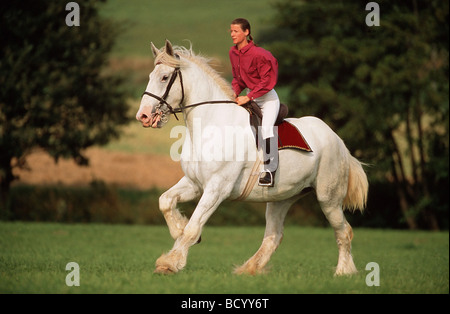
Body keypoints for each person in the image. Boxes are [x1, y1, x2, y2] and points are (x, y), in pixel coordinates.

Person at [229, 18, 280, 187]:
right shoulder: (233, 53)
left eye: (236, 31)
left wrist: (248, 97)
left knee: (265, 129)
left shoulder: (261, 55)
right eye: (231, 31)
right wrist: (233, 93)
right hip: (251, 97)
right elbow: (238, 79)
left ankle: (270, 172)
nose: (232, 34)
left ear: (246, 32)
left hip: (268, 99)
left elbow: (267, 82)